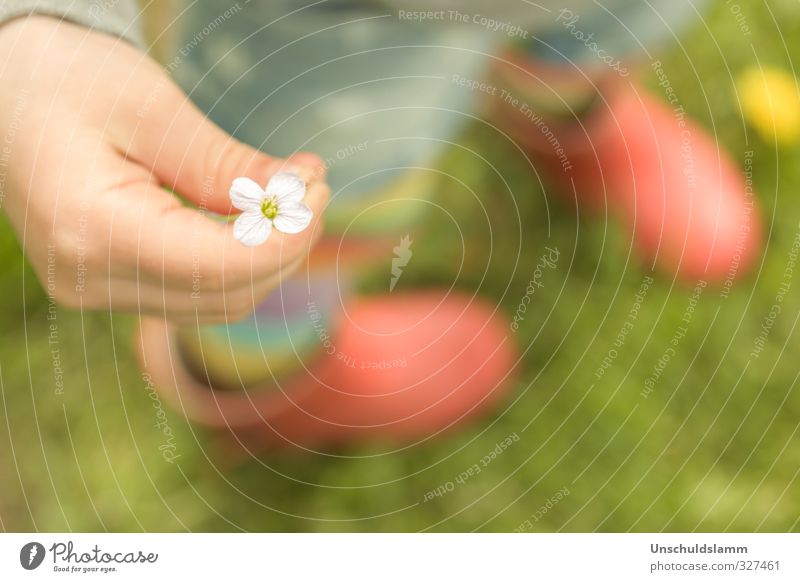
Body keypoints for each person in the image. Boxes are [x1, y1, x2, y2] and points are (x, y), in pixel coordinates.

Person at [0, 1, 759, 453]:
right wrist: (38, 27)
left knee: (597, 30)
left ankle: (573, 118)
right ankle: (264, 384)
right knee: (300, 215)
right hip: (329, 20)